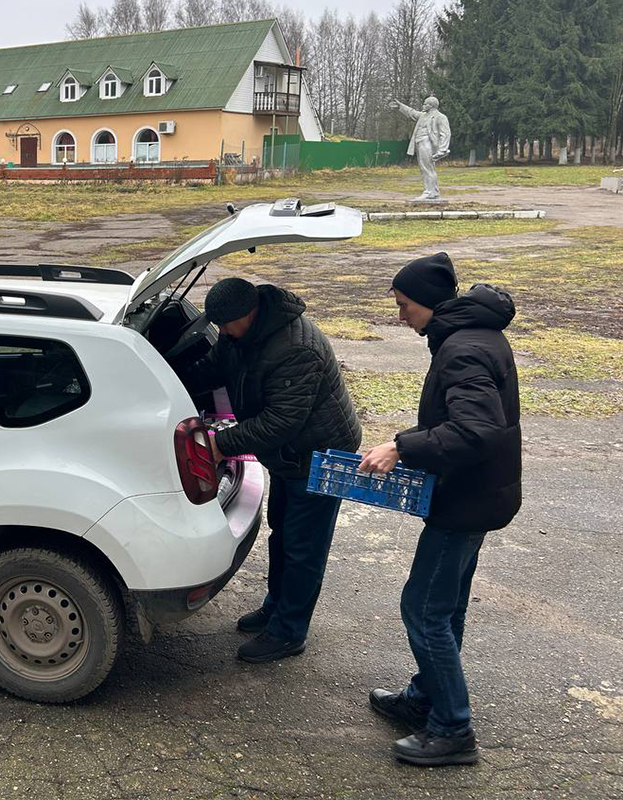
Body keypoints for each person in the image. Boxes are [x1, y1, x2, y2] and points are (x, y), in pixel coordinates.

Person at [359, 253, 521, 767]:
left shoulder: (463, 349)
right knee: (445, 607)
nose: (400, 315)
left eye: (404, 305)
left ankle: (453, 728)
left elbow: (475, 429)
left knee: (424, 609)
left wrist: (401, 447)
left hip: (464, 502)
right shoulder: (468, 335)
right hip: (475, 493)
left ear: (428, 303)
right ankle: (426, 699)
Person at [178, 278, 361, 663]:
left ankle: (289, 632)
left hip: (319, 456)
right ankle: (275, 606)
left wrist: (219, 445)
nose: (223, 334)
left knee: (303, 547)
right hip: (289, 457)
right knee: (282, 532)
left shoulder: (296, 348)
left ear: (249, 314)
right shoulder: (240, 334)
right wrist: (170, 383)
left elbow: (282, 421)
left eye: (227, 326)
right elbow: (213, 367)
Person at [389, 96, 451, 201]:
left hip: (428, 143)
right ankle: (433, 191)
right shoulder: (423, 115)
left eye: (425, 104)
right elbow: (411, 112)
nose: (423, 105)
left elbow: (445, 134)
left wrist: (442, 149)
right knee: (424, 168)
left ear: (432, 106)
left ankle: (429, 192)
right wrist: (400, 106)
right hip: (419, 143)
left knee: (428, 168)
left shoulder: (440, 117)